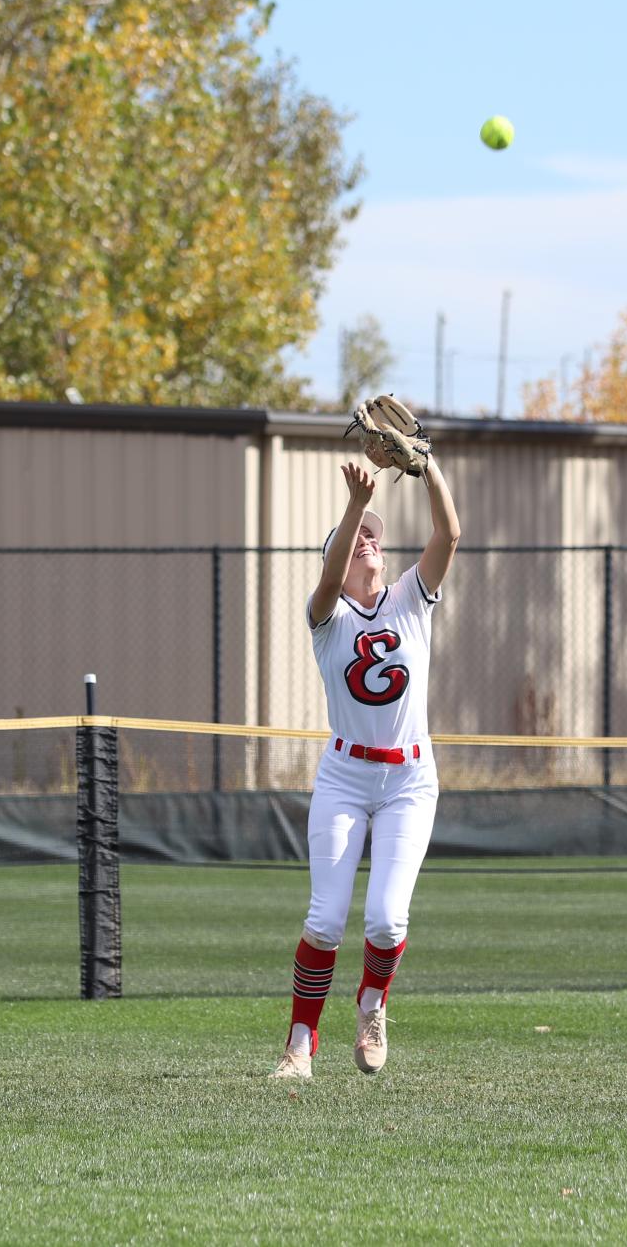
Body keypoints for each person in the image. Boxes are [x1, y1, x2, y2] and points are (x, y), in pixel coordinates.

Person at [269, 447, 460, 1080]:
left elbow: (450, 532)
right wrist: (353, 506)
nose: (367, 545)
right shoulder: (328, 616)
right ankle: (300, 1047)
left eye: (373, 538)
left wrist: (426, 462)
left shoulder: (410, 599)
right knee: (324, 921)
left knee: (387, 916)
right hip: (346, 776)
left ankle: (372, 1003)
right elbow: (327, 582)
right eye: (355, 541)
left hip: (410, 777)